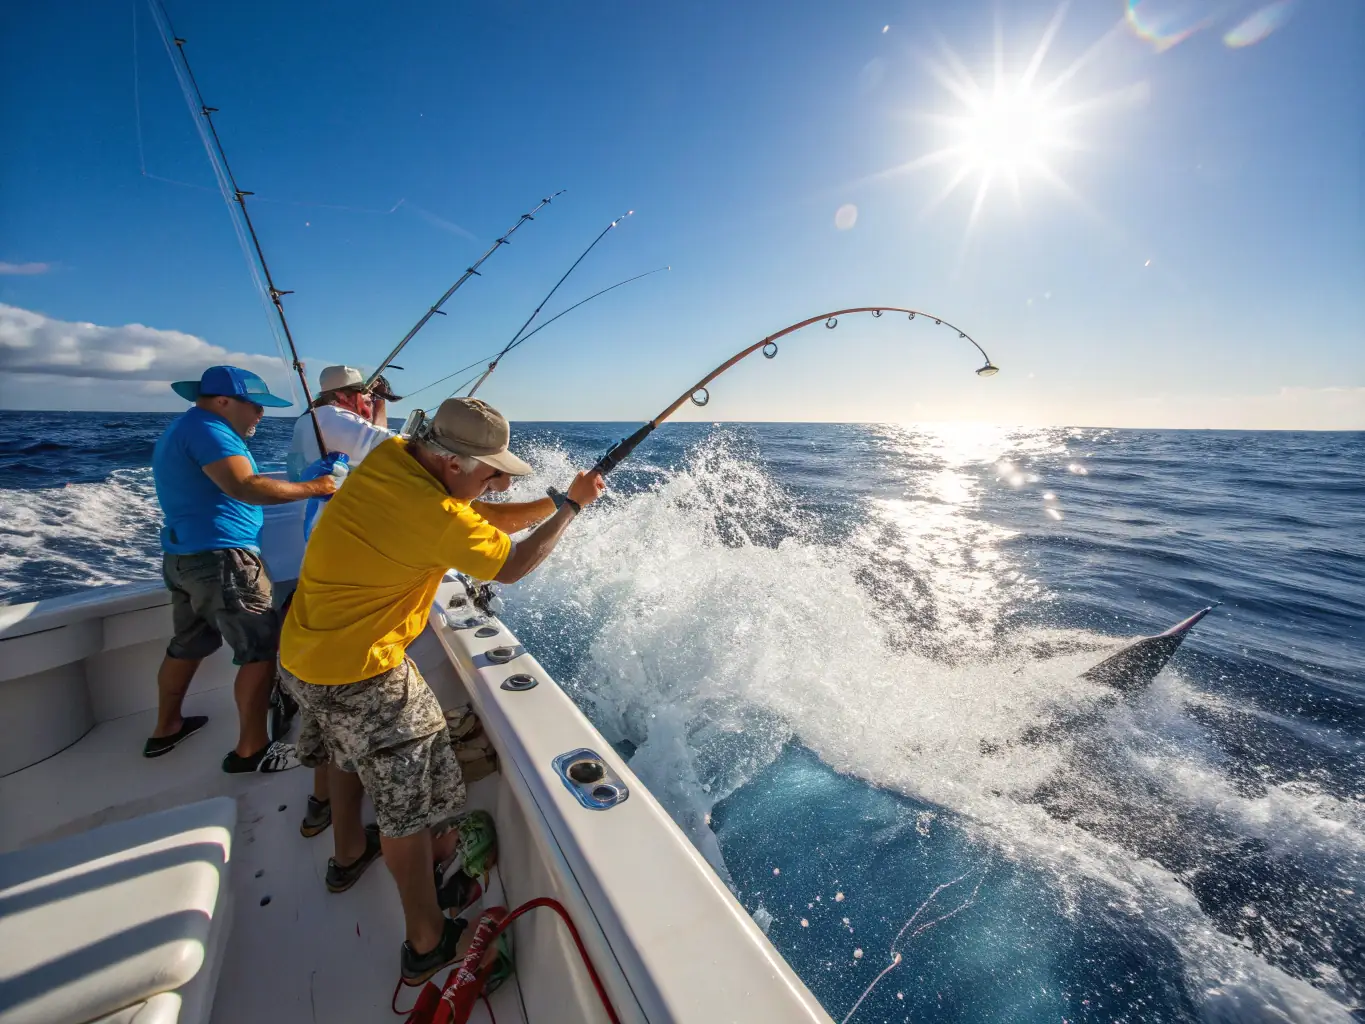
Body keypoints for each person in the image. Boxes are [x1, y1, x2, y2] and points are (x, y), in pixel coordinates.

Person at [278, 397, 605, 985]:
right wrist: (572, 511)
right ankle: (427, 943)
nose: (500, 481)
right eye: (493, 471)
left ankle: (347, 854)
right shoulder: (432, 512)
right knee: (412, 802)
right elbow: (510, 565)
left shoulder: (393, 458)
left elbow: (483, 521)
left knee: (346, 750)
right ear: (452, 464)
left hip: (304, 652)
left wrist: (555, 500)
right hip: (362, 672)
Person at [147, 365, 339, 772]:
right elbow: (244, 486)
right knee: (259, 651)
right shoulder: (210, 430)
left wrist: (302, 480)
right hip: (224, 560)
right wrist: (316, 488)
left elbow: (228, 483)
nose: (260, 415)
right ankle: (252, 750)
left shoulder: (183, 428)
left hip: (185, 557)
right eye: (254, 406)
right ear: (222, 401)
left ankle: (167, 726)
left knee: (188, 643)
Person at [284, 366, 401, 837]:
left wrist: (380, 403)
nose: (367, 405)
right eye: (365, 398)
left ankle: (320, 805)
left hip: (322, 564)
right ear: (347, 395)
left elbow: (376, 444)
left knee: (326, 711)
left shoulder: (315, 422)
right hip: (344, 577)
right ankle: (349, 849)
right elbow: (394, 451)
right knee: (349, 720)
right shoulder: (329, 417)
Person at [285, 365, 394, 482]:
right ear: (341, 396)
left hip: (313, 493)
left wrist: (378, 400)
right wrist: (380, 399)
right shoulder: (338, 417)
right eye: (361, 391)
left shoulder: (307, 418)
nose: (366, 396)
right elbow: (389, 445)